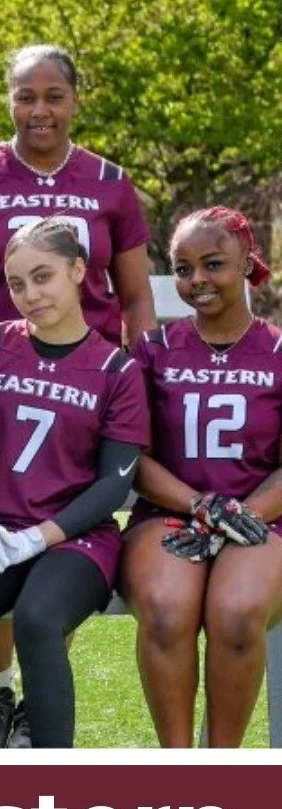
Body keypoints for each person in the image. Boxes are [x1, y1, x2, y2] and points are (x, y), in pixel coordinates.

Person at [0, 44, 155, 748]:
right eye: (26, 95)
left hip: (79, 403)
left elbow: (138, 296)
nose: (40, 109)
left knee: (41, 612)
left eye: (54, 95)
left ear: (76, 100)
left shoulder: (110, 183)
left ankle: (50, 773)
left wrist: (124, 378)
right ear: (8, 100)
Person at [122, 208, 282, 747]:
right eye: (183, 269)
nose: (198, 281)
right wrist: (202, 507)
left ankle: (222, 769)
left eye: (213, 264)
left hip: (264, 516)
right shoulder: (152, 352)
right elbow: (133, 458)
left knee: (237, 613)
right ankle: (179, 769)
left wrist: (241, 515)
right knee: (167, 611)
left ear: (247, 263)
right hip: (172, 512)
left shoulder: (279, 352)